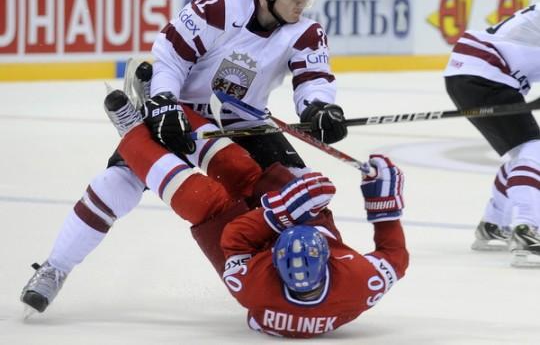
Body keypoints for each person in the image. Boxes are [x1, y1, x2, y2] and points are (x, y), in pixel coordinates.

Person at [20, 0, 348, 313]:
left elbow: (314, 79)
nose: (303, 2)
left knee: (300, 190)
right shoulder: (219, 5)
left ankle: (308, 279)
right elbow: (171, 57)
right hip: (182, 111)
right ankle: (54, 268)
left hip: (246, 122)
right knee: (118, 183)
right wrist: (162, 102)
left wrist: (320, 107)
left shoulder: (306, 32)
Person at [100, 88, 408, 338]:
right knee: (243, 172)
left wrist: (286, 209)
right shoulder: (358, 284)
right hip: (294, 227)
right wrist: (384, 207)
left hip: (248, 246)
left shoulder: (255, 289)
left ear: (274, 263)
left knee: (203, 202)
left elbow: (234, 241)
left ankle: (133, 132)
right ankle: (172, 109)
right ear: (327, 258)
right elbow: (394, 258)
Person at [443, 3, 540, 267]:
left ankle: (493, 226)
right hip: (486, 71)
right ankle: (526, 231)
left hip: (472, 71)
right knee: (534, 150)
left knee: (523, 153)